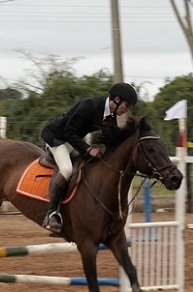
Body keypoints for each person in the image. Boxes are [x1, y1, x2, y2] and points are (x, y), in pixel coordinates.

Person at [40, 82, 138, 234]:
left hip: (71, 141)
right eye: (126, 105)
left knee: (89, 165)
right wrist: (88, 149)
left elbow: (111, 137)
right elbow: (68, 132)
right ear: (117, 99)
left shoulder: (109, 115)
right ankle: (52, 213)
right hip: (57, 138)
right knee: (66, 170)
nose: (126, 110)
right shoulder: (90, 106)